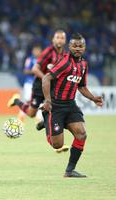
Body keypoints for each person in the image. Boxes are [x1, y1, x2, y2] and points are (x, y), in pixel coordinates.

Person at [41, 33, 103, 177]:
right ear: (69, 47)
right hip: (56, 105)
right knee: (57, 145)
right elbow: (46, 78)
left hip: (70, 105)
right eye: (74, 46)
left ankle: (69, 171)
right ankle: (46, 119)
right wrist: (48, 101)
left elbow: (81, 87)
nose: (77, 49)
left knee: (81, 134)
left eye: (80, 46)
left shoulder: (83, 64)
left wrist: (93, 98)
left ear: (84, 48)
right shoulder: (64, 62)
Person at [7, 30, 66, 132]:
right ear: (53, 39)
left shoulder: (64, 55)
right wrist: (45, 79)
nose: (60, 40)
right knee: (31, 113)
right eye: (57, 37)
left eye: (62, 38)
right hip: (39, 85)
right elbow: (34, 69)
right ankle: (17, 101)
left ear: (65, 40)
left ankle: (56, 140)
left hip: (52, 87)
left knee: (56, 110)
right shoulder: (48, 52)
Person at [16, 45, 42, 122]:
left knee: (40, 100)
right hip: (29, 83)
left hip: (39, 84)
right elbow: (26, 71)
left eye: (37, 51)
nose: (36, 52)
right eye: (35, 51)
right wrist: (35, 71)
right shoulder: (30, 59)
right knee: (28, 100)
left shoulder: (43, 60)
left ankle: (39, 117)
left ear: (41, 52)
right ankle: (21, 115)